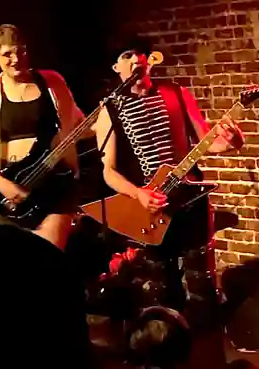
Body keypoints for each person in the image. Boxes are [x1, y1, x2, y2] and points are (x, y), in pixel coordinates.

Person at [92, 35, 243, 322]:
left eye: (140, 54)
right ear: (115, 67)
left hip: (189, 199)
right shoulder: (109, 110)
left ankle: (206, 351)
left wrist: (232, 141)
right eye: (127, 55)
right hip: (149, 207)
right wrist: (138, 194)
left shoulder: (176, 93)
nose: (136, 59)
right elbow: (108, 172)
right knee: (159, 289)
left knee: (202, 285)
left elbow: (206, 141)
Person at [0, 24, 85, 250]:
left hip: (55, 184)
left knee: (47, 256)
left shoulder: (53, 82)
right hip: (13, 188)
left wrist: (110, 117)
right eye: (7, 54)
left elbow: (78, 123)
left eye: (21, 51)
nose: (16, 59)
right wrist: (3, 185)